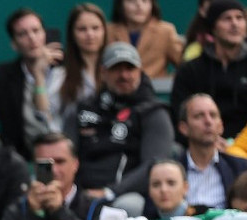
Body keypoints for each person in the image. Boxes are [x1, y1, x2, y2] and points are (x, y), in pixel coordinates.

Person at [64, 42, 174, 196]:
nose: (124, 75)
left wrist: (109, 192)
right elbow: (63, 155)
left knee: (130, 204)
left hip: (126, 196)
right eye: (116, 69)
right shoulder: (82, 109)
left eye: (130, 68)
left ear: (140, 71)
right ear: (103, 72)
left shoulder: (153, 112)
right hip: (79, 194)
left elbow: (154, 165)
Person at [0, 132, 122, 220]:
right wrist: (33, 214)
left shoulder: (96, 207)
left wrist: (59, 211)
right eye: (45, 164)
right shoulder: (20, 206)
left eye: (60, 161)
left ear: (75, 164)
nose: (54, 170)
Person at [170, 0, 247, 140]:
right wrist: (212, 143)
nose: (235, 24)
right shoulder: (190, 70)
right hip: (201, 145)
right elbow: (180, 117)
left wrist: (236, 146)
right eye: (227, 19)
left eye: (239, 18)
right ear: (213, 27)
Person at [0, 7, 65, 160]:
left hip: (70, 157)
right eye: (23, 34)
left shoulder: (68, 70)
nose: (32, 38)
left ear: (45, 34)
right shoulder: (3, 76)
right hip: (24, 159)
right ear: (14, 44)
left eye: (36, 31)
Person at [47, 4, 108, 125]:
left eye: (95, 28)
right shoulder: (60, 73)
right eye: (82, 29)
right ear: (72, 34)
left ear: (104, 31)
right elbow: (49, 114)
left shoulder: (117, 68)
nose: (90, 34)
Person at [105, 0, 183, 79]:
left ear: (152, 4)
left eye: (144, 1)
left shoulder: (165, 31)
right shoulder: (108, 31)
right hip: (120, 84)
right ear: (120, 5)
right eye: (132, 1)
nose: (139, 6)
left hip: (155, 85)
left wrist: (168, 80)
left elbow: (185, 64)